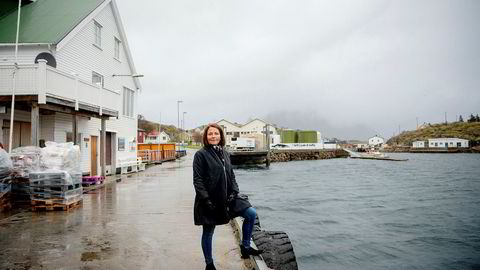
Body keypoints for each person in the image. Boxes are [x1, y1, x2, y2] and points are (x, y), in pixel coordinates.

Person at [193, 123, 262, 270]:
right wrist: (206, 199)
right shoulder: (201, 154)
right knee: (208, 231)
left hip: (228, 197)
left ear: (221, 136)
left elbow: (231, 174)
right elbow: (197, 180)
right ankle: (209, 264)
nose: (213, 136)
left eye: (216, 133)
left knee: (251, 213)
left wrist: (234, 191)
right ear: (206, 137)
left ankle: (246, 246)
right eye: (210, 134)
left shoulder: (224, 152)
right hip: (210, 199)